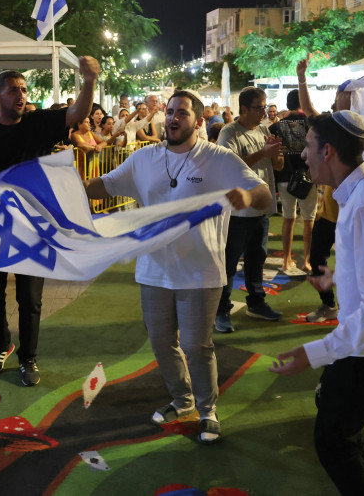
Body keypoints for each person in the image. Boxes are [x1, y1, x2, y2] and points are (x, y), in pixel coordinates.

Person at [84, 89, 271, 444]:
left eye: (181, 113)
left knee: (198, 346)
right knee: (161, 343)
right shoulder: (144, 159)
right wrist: (68, 186)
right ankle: (182, 400)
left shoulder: (219, 158)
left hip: (201, 272)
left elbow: (262, 193)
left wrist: (246, 196)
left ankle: (207, 410)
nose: (172, 118)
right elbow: (104, 187)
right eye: (169, 112)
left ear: (199, 122)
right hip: (153, 270)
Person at [270, 111, 364, 496]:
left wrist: (315, 351)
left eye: (307, 147)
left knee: (332, 440)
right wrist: (339, 277)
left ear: (328, 150)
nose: (303, 155)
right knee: (339, 427)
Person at [0, 56, 101, 387]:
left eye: (23, 89)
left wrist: (90, 81)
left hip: (32, 225)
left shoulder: (38, 123)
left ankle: (29, 357)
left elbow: (76, 114)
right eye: (12, 90)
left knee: (31, 299)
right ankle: (0, 346)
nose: (20, 95)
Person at [215, 87, 284, 332]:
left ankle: (256, 302)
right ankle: (221, 310)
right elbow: (228, 167)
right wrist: (262, 152)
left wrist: (275, 154)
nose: (263, 112)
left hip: (261, 209)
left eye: (265, 107)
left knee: (257, 259)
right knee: (229, 261)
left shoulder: (264, 130)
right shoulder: (229, 132)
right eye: (259, 108)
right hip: (238, 211)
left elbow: (277, 165)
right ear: (243, 109)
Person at [296, 57, 347, 322]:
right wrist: (302, 79)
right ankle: (330, 305)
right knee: (317, 257)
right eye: (339, 94)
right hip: (329, 211)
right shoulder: (331, 125)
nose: (340, 98)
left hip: (351, 211)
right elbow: (308, 110)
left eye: (345, 95)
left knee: (352, 263)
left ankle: (350, 311)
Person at [270, 90, 317, 272]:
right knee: (309, 219)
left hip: (284, 176)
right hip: (308, 176)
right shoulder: (309, 124)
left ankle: (286, 259)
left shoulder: (276, 126)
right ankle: (306, 260)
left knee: (288, 218)